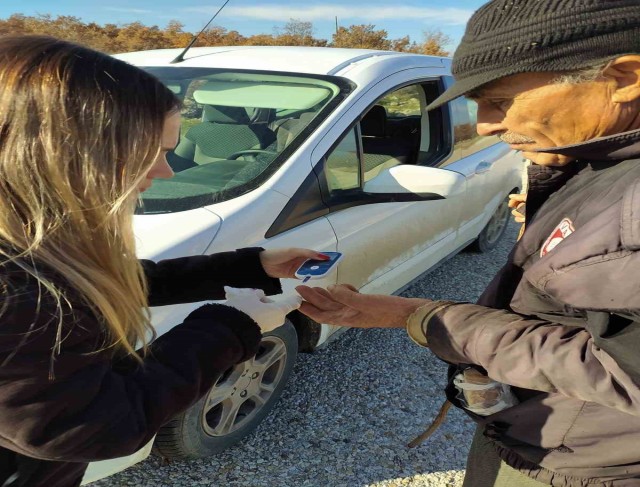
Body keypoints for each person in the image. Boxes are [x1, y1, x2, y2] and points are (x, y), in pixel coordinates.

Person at [297, 1, 640, 486]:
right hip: (538, 429)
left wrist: (424, 317)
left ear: (625, 77)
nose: (483, 128)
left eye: (500, 101)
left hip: (580, 463)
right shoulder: (601, 155)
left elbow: (622, 371)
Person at [0, 34, 328, 487]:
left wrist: (251, 267)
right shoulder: (12, 287)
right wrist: (231, 324)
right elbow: (89, 426)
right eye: (149, 152)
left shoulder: (32, 245)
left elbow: (87, 287)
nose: (166, 172)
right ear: (61, 153)